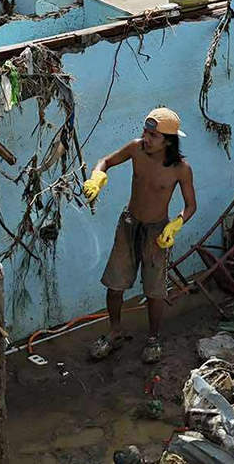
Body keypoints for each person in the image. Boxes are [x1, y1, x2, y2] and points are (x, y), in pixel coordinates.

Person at [83, 107, 197, 364]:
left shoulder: (181, 169)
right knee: (115, 285)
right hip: (128, 224)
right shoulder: (136, 148)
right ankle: (114, 333)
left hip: (157, 232)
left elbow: (191, 205)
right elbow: (107, 161)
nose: (146, 137)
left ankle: (153, 339)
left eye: (153, 135)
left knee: (155, 291)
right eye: (146, 131)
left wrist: (175, 225)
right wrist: (97, 176)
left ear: (169, 141)